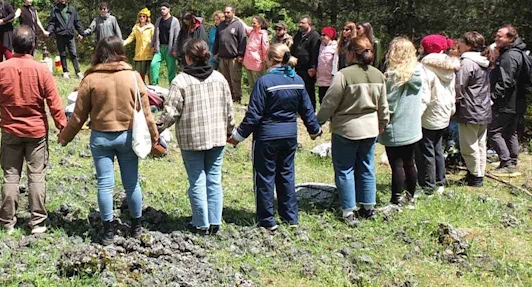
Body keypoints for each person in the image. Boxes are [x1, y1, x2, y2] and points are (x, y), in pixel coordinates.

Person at [58, 36, 159, 245]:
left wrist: (64, 137)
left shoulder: (90, 79)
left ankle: (108, 231)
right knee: (131, 183)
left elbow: (78, 116)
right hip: (128, 136)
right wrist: (155, 137)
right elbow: (146, 112)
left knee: (105, 185)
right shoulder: (133, 76)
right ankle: (137, 226)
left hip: (101, 137)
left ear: (99, 52)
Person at [0, 27, 66, 234]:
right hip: (36, 133)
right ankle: (38, 221)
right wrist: (63, 128)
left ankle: (7, 222)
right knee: (37, 175)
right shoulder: (42, 70)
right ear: (32, 46)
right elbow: (54, 103)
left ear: (12, 44)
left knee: (11, 175)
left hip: (10, 131)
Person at [229, 44, 322, 230]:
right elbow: (307, 109)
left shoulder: (264, 82)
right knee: (287, 175)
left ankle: (267, 220)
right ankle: (290, 218)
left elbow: (253, 115)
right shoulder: (296, 80)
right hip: (289, 136)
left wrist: (237, 137)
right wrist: (314, 130)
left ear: (270, 59)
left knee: (264, 177)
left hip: (266, 137)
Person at [157, 39, 234, 235]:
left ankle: (201, 223)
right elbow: (229, 109)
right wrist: (230, 130)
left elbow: (171, 113)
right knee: (214, 180)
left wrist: (155, 128)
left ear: (188, 58)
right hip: (217, 137)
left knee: (197, 180)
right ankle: (214, 222)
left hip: (192, 139)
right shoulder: (219, 78)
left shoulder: (180, 81)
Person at [317, 36, 389, 224]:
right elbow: (383, 105)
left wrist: (318, 121)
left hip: (346, 129)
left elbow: (330, 102)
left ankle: (348, 210)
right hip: (370, 128)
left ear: (350, 53)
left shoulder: (344, 75)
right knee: (366, 167)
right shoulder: (378, 75)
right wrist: (383, 122)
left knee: (344, 169)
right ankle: (368, 206)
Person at [378, 37, 423, 206]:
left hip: (395, 126)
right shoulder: (417, 72)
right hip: (412, 126)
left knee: (396, 164)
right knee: (409, 163)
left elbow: (389, 105)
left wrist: (381, 122)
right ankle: (410, 198)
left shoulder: (394, 76)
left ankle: (395, 200)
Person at [416, 34, 460, 195]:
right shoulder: (449, 68)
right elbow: (452, 91)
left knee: (425, 150)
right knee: (437, 148)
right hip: (443, 113)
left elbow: (424, 96)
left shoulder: (425, 68)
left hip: (428, 114)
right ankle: (440, 182)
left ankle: (427, 186)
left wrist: (415, 116)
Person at [489, 24, 529, 176]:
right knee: (509, 132)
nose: (496, 38)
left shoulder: (510, 56)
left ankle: (507, 162)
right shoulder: (517, 53)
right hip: (517, 101)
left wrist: (493, 97)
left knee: (493, 131)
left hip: (507, 102)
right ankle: (512, 161)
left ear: (510, 38)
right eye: (496, 35)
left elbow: (506, 81)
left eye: (500, 36)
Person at [454, 31, 492, 187]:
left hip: (470, 109)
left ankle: (475, 177)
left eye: (461, 42)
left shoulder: (467, 63)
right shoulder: (483, 61)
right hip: (483, 108)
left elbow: (459, 86)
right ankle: (478, 172)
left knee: (469, 145)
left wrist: (453, 104)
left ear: (468, 45)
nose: (458, 45)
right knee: (480, 143)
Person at [47, 0, 84, 79]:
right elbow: (52, 23)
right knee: (62, 54)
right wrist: (49, 31)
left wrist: (81, 33)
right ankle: (65, 71)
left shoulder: (72, 9)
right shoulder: (55, 10)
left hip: (70, 35)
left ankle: (78, 72)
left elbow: (77, 22)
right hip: (60, 35)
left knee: (73, 54)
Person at [214, 5, 248, 103]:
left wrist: (241, 55)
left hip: (234, 58)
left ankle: (237, 97)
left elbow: (242, 40)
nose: (226, 14)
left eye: (228, 12)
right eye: (225, 12)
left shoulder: (238, 25)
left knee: (235, 79)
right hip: (222, 57)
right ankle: (228, 96)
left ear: (233, 13)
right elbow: (217, 39)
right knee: (224, 79)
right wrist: (216, 52)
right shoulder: (221, 25)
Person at [291, 16, 320, 108]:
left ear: (309, 24)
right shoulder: (298, 35)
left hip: (308, 68)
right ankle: (300, 109)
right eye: (300, 23)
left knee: (309, 89)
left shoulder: (314, 36)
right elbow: (294, 48)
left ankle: (311, 109)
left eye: (303, 23)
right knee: (298, 89)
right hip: (298, 67)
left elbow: (315, 52)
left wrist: (313, 67)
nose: (300, 25)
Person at [150, 2, 180, 84]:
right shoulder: (159, 20)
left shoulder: (174, 21)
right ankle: (155, 85)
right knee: (153, 65)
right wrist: (152, 46)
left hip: (169, 48)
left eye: (164, 9)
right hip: (159, 47)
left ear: (169, 9)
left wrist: (175, 49)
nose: (162, 11)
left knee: (171, 69)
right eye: (161, 9)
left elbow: (177, 37)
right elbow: (155, 34)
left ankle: (172, 86)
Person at [123, 8, 155, 82]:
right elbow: (131, 37)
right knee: (139, 74)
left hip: (148, 54)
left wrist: (154, 47)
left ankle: (152, 88)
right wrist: (123, 43)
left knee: (150, 73)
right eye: (140, 16)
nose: (142, 18)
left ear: (147, 17)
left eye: (144, 16)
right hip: (139, 54)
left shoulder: (151, 27)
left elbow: (154, 39)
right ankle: (140, 88)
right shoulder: (136, 27)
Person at [243, 16, 270, 93]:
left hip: (257, 64)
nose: (252, 24)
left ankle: (259, 102)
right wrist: (235, 17)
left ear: (260, 24)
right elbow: (244, 26)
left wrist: (266, 62)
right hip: (248, 62)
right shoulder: (252, 31)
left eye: (254, 23)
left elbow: (266, 50)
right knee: (251, 85)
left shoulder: (263, 34)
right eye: (252, 23)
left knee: (257, 84)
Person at [316, 26, 338, 104]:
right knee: (322, 99)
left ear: (330, 36)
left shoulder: (336, 46)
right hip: (321, 78)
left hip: (330, 78)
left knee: (330, 101)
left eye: (324, 35)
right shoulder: (320, 46)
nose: (322, 37)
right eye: (321, 35)